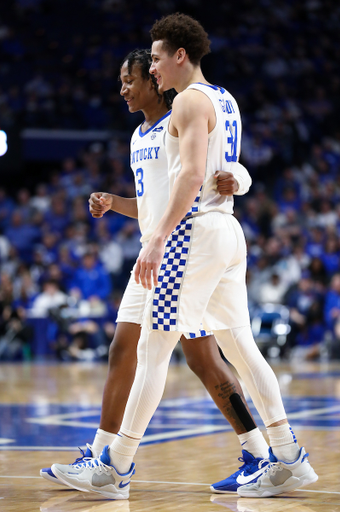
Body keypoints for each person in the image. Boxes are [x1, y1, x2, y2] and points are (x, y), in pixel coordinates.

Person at [52, 21, 318, 498]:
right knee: (240, 349)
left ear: (179, 55)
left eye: (155, 59)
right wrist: (236, 179)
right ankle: (287, 456)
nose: (151, 69)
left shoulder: (190, 100)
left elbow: (195, 173)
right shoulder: (225, 98)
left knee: (155, 351)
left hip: (191, 234)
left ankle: (116, 467)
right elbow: (224, 166)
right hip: (226, 232)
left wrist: (157, 239)